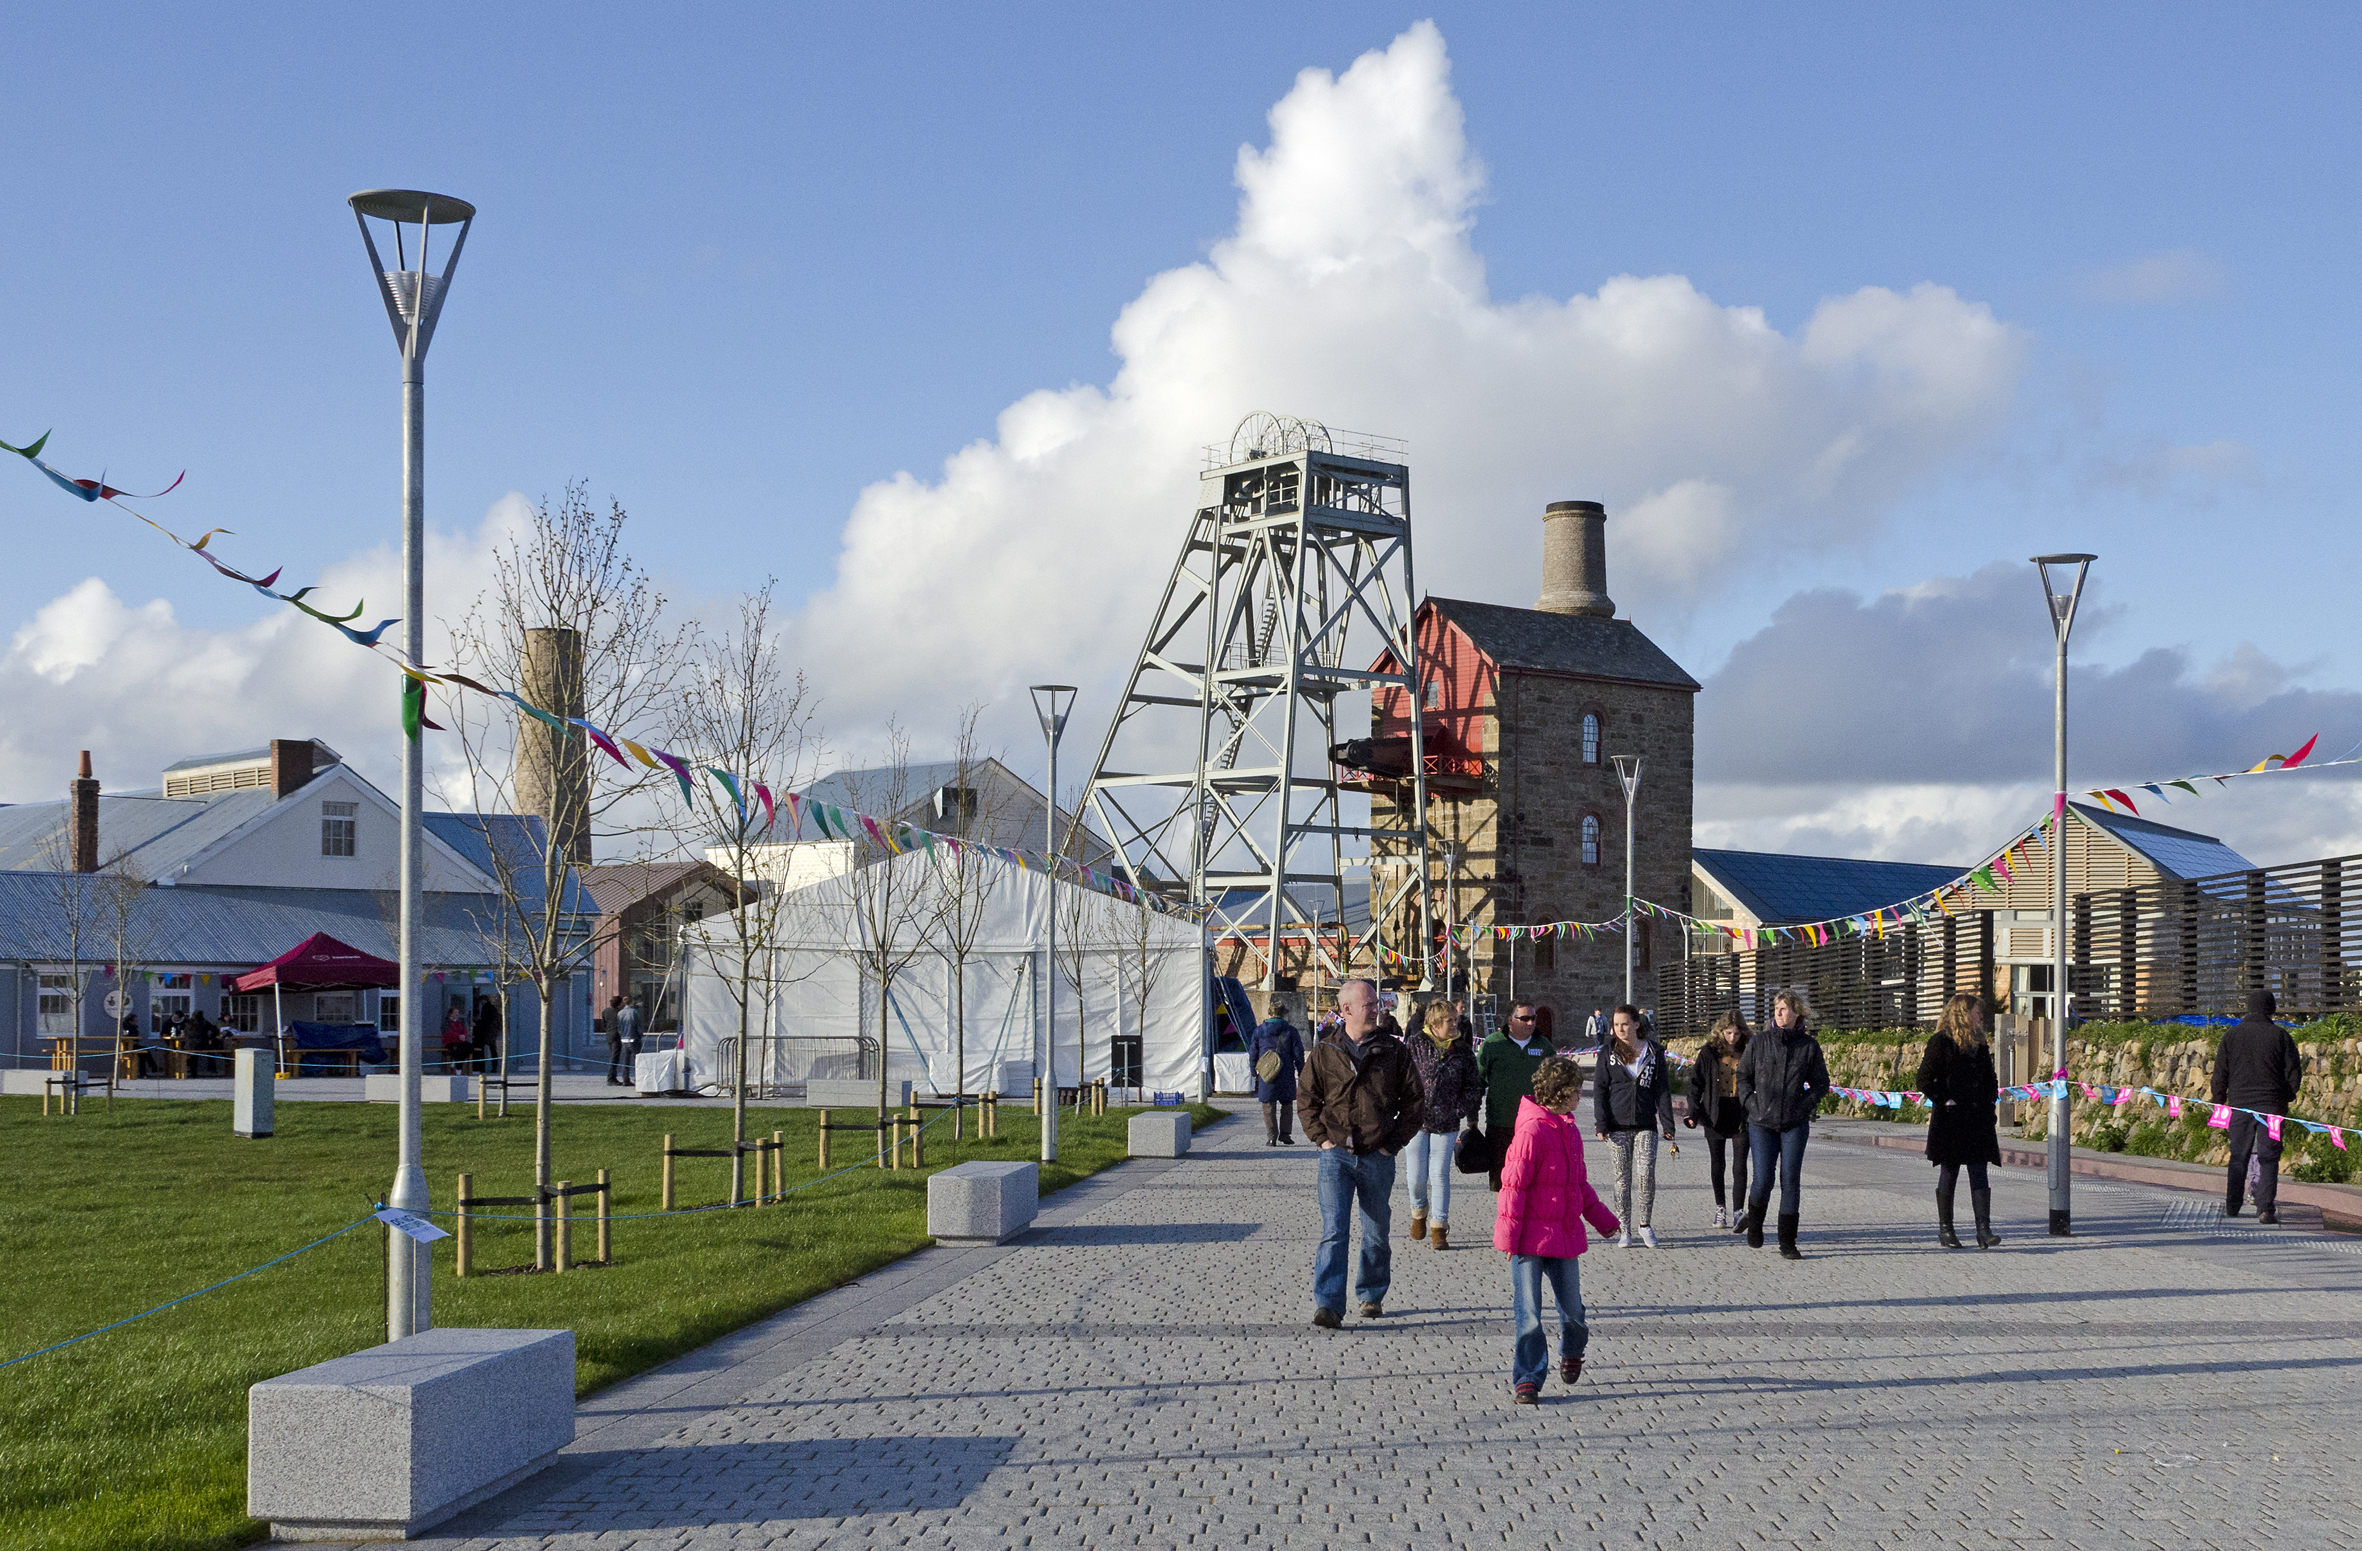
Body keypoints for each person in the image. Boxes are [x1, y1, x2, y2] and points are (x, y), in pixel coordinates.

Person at [1493, 1054, 1621, 1404]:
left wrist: (1605, 1222)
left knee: (1574, 1314)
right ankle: (1529, 1378)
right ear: (1562, 1092)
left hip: (1563, 1235)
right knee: (1530, 1314)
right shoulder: (1533, 1130)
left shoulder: (1569, 1130)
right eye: (1578, 1092)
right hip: (1528, 1241)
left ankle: (1572, 1350)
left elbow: (1579, 1186)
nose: (1581, 1098)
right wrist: (1508, 1239)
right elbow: (1513, 1187)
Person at [1299, 978, 1425, 1327]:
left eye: (1377, 1003)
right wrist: (1321, 1139)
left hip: (1376, 1155)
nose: (1377, 1009)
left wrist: (1391, 1145)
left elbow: (1415, 1103)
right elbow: (1307, 1099)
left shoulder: (1393, 1051)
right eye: (1369, 1004)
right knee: (1334, 1231)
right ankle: (1328, 1304)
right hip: (1335, 1155)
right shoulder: (1325, 1051)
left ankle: (1370, 1295)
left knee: (1375, 1232)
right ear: (1346, 1009)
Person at [1737, 988, 1831, 1260]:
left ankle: (1787, 1241)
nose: (1778, 1013)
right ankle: (1755, 1225)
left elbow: (1821, 1083)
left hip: (1794, 1123)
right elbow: (1743, 1076)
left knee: (1790, 1181)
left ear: (1796, 1012)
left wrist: (1803, 1105)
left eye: (1784, 1008)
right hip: (1761, 1120)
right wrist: (1751, 1104)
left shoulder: (1808, 1046)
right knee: (1763, 1179)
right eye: (1776, 1008)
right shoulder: (1759, 1042)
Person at [1919, 992, 2003, 1248]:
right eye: (1977, 1012)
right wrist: (1945, 1099)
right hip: (1951, 1120)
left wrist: (1990, 1102)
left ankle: (1983, 1230)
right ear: (1963, 1014)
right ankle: (1946, 1230)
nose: (1981, 1017)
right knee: (1950, 1171)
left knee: (1979, 1170)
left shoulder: (1980, 1044)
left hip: (1977, 1118)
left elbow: (1991, 1079)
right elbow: (1924, 1079)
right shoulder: (1941, 1042)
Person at [2213, 989, 2304, 1223]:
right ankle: (2265, 1208)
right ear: (2271, 1009)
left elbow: (2220, 1073)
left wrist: (2219, 1100)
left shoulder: (2231, 1036)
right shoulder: (2281, 1036)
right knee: (2269, 1157)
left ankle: (2233, 1205)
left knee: (2238, 1155)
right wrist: (2285, 1097)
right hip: (2272, 1107)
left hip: (2240, 1104)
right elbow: (2293, 1072)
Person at [1593, 1004, 1676, 1247]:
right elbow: (1599, 1089)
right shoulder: (1607, 1052)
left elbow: (1662, 1089)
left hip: (1645, 1123)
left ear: (1637, 1024)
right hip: (1616, 1125)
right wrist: (1601, 1123)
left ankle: (1645, 1225)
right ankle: (1624, 1229)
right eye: (1616, 1025)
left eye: (1625, 1024)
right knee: (1621, 1178)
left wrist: (1668, 1123)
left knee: (1646, 1173)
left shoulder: (1653, 1051)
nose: (1620, 1029)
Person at [1404, 999, 1483, 1249]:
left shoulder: (1462, 1049)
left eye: (1455, 1020)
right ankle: (1419, 1212)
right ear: (1435, 1023)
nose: (1455, 1024)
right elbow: (1400, 1078)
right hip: (1415, 1120)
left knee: (1439, 1174)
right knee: (1416, 1175)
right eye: (1450, 1020)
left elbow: (1474, 1085)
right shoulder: (1415, 1044)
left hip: (1447, 1120)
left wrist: (1463, 1110)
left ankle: (1439, 1226)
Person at [1683, 1011, 1752, 1230]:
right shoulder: (1709, 1052)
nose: (1732, 1037)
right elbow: (1696, 1084)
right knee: (1717, 1163)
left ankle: (1738, 1211)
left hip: (1741, 1111)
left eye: (1736, 1033)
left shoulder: (1749, 1050)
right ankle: (1720, 1208)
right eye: (1728, 1033)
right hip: (1715, 1110)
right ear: (1720, 1031)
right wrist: (1693, 1112)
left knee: (1740, 1163)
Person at [1477, 1002, 1554, 1191]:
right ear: (1510, 1020)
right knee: (1501, 1179)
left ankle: (1530, 1219)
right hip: (1501, 1123)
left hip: (1535, 1126)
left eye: (1533, 1018)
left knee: (1534, 1179)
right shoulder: (1493, 1044)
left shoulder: (1543, 1045)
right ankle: (1506, 1217)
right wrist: (1472, 1118)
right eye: (1524, 1018)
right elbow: (1477, 1082)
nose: (1530, 1023)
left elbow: (1557, 1083)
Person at [1249, 996, 1307, 1146]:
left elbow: (1253, 1052)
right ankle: (1285, 1134)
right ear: (1284, 1014)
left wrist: (1253, 1070)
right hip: (1286, 1071)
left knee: (1268, 1105)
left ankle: (1271, 1136)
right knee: (1287, 1104)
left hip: (1266, 1071)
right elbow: (1298, 1054)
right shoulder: (1291, 1031)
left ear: (1269, 1013)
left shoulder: (1259, 1030)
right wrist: (1302, 1071)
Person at [604, 994, 632, 1086]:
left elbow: (604, 1023)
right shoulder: (619, 1013)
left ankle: (613, 1076)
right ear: (619, 1004)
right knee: (614, 1057)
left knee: (613, 1055)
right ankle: (611, 1078)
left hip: (608, 1035)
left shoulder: (605, 1011)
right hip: (616, 1035)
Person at [471, 996, 502, 1076]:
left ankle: (483, 1067)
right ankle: (493, 1067)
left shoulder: (487, 1008)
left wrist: (476, 1024)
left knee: (483, 1049)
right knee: (492, 1050)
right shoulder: (492, 1008)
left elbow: (486, 1021)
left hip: (487, 1032)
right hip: (491, 1032)